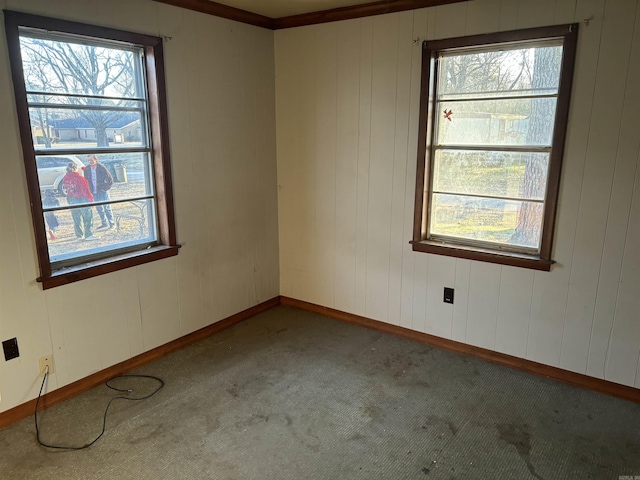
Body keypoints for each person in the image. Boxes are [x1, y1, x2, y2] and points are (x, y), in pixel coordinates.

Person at [62, 162, 96, 240]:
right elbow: (86, 190)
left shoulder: (65, 178)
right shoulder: (79, 178)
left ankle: (79, 235)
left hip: (71, 199)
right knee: (87, 217)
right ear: (74, 169)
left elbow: (66, 189)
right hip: (82, 198)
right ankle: (89, 234)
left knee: (76, 218)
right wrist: (91, 200)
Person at [84, 154, 115, 230]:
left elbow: (110, 179)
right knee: (99, 208)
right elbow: (86, 180)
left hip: (102, 191)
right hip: (94, 192)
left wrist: (105, 188)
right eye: (88, 160)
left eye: (91, 160)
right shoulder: (87, 169)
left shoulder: (101, 167)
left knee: (106, 207)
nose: (90, 161)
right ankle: (104, 223)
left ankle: (112, 223)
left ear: (95, 160)